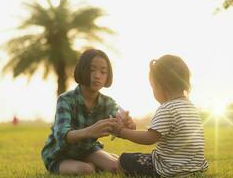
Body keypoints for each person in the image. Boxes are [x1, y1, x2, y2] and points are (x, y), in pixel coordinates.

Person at [41, 48, 135, 176]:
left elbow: (119, 121)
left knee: (116, 167)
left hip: (88, 150)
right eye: (92, 70)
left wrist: (127, 123)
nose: (97, 75)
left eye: (103, 72)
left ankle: (102, 160)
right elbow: (62, 135)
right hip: (60, 154)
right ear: (82, 70)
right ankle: (96, 163)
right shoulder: (66, 99)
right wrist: (90, 131)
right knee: (86, 170)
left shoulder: (107, 102)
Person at [113, 55, 208, 177]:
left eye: (153, 87)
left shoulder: (167, 108)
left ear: (161, 85)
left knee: (124, 159)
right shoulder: (191, 107)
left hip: (170, 170)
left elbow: (150, 138)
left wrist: (121, 132)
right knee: (150, 156)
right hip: (196, 169)